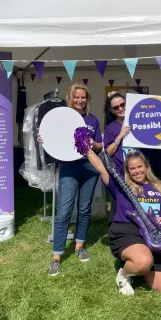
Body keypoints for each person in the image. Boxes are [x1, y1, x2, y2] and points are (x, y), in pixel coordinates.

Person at [85, 148, 161, 295]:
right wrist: (87, 149)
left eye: (139, 166)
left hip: (154, 234)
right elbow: (101, 168)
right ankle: (124, 274)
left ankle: (140, 265)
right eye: (132, 168)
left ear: (146, 167)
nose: (137, 171)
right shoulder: (121, 187)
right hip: (128, 232)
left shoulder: (159, 186)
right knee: (143, 261)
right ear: (128, 171)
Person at [40, 83, 103, 276]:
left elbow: (100, 146)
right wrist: (44, 139)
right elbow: (51, 137)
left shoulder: (92, 119)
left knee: (84, 209)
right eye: (76, 97)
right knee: (64, 211)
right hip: (69, 167)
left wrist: (94, 143)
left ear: (87, 99)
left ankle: (79, 245)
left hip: (90, 168)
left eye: (83, 97)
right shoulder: (62, 118)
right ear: (70, 98)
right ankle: (57, 256)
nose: (80, 100)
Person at [103, 92, 132, 222]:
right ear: (112, 110)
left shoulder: (138, 121)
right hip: (119, 172)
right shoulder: (111, 128)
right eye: (116, 107)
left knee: (137, 203)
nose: (120, 108)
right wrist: (120, 135)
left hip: (137, 172)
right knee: (117, 205)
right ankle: (115, 234)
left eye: (123, 104)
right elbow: (107, 153)